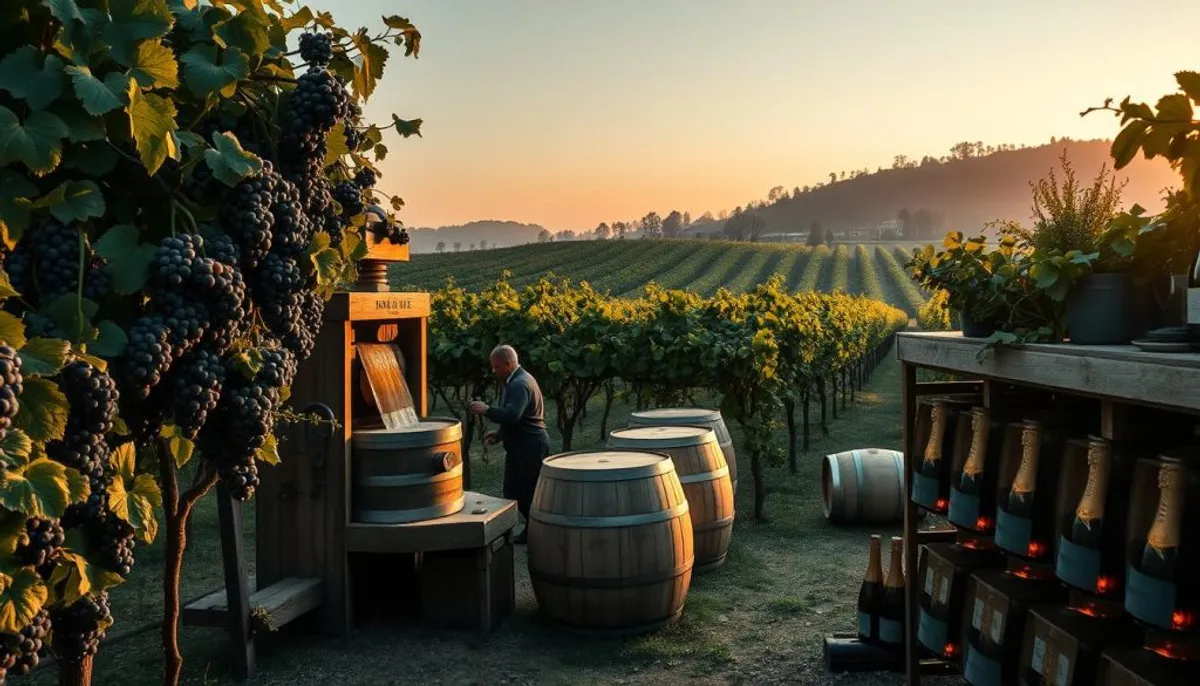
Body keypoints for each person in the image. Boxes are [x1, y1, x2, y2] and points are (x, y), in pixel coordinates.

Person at [468, 345, 550, 544]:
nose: (494, 371)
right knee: (513, 491)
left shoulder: (519, 384)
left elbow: (513, 415)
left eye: (497, 367)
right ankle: (532, 530)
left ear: (509, 363)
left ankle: (538, 533)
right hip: (521, 445)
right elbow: (517, 416)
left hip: (530, 445)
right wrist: (499, 435)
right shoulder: (513, 380)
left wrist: (486, 410)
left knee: (528, 493)